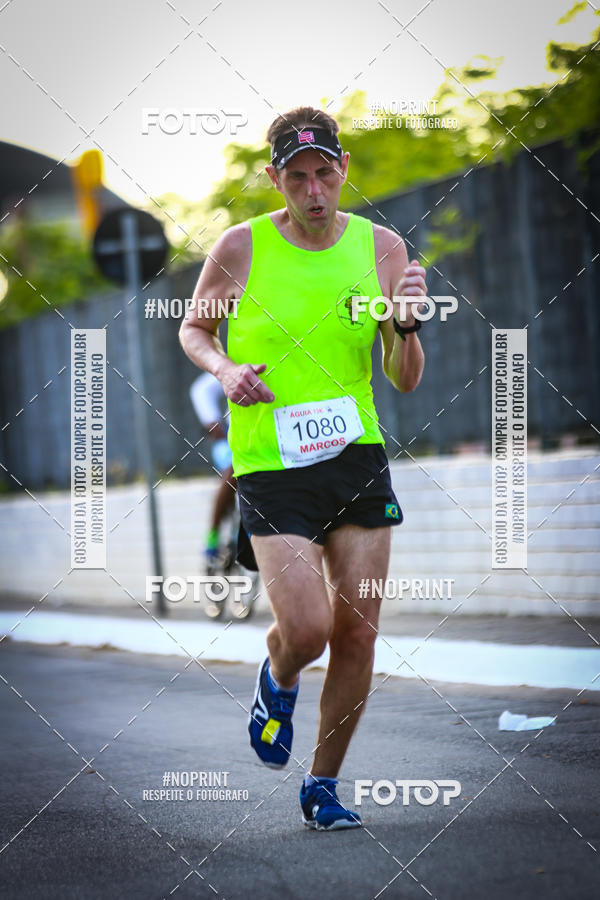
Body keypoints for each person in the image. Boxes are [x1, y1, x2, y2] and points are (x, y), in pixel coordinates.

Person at [179, 106, 426, 831]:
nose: (314, 191)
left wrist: (406, 327)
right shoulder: (240, 247)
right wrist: (224, 368)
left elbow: (404, 377)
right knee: (311, 629)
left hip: (355, 457)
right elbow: (194, 328)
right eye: (297, 177)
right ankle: (277, 676)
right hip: (270, 464)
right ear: (274, 179)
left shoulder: (383, 249)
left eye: (325, 173)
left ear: (343, 168)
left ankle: (322, 786)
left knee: (357, 631)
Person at [189, 371, 236, 572]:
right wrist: (211, 420)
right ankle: (213, 535)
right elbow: (201, 389)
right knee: (233, 469)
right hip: (230, 439)